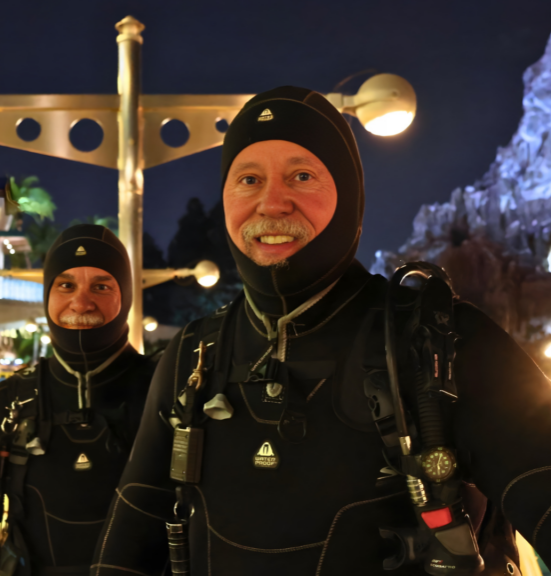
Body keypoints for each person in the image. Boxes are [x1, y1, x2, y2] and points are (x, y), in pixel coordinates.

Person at [91, 87, 551, 575]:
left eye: (302, 176)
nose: (272, 203)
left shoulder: (440, 343)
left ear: (349, 194)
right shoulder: (193, 357)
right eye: (248, 179)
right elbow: (129, 540)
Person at [0, 224, 157, 576]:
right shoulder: (10, 400)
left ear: (124, 295)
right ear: (48, 294)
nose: (81, 302)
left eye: (101, 286)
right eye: (66, 285)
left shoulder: (165, 390)